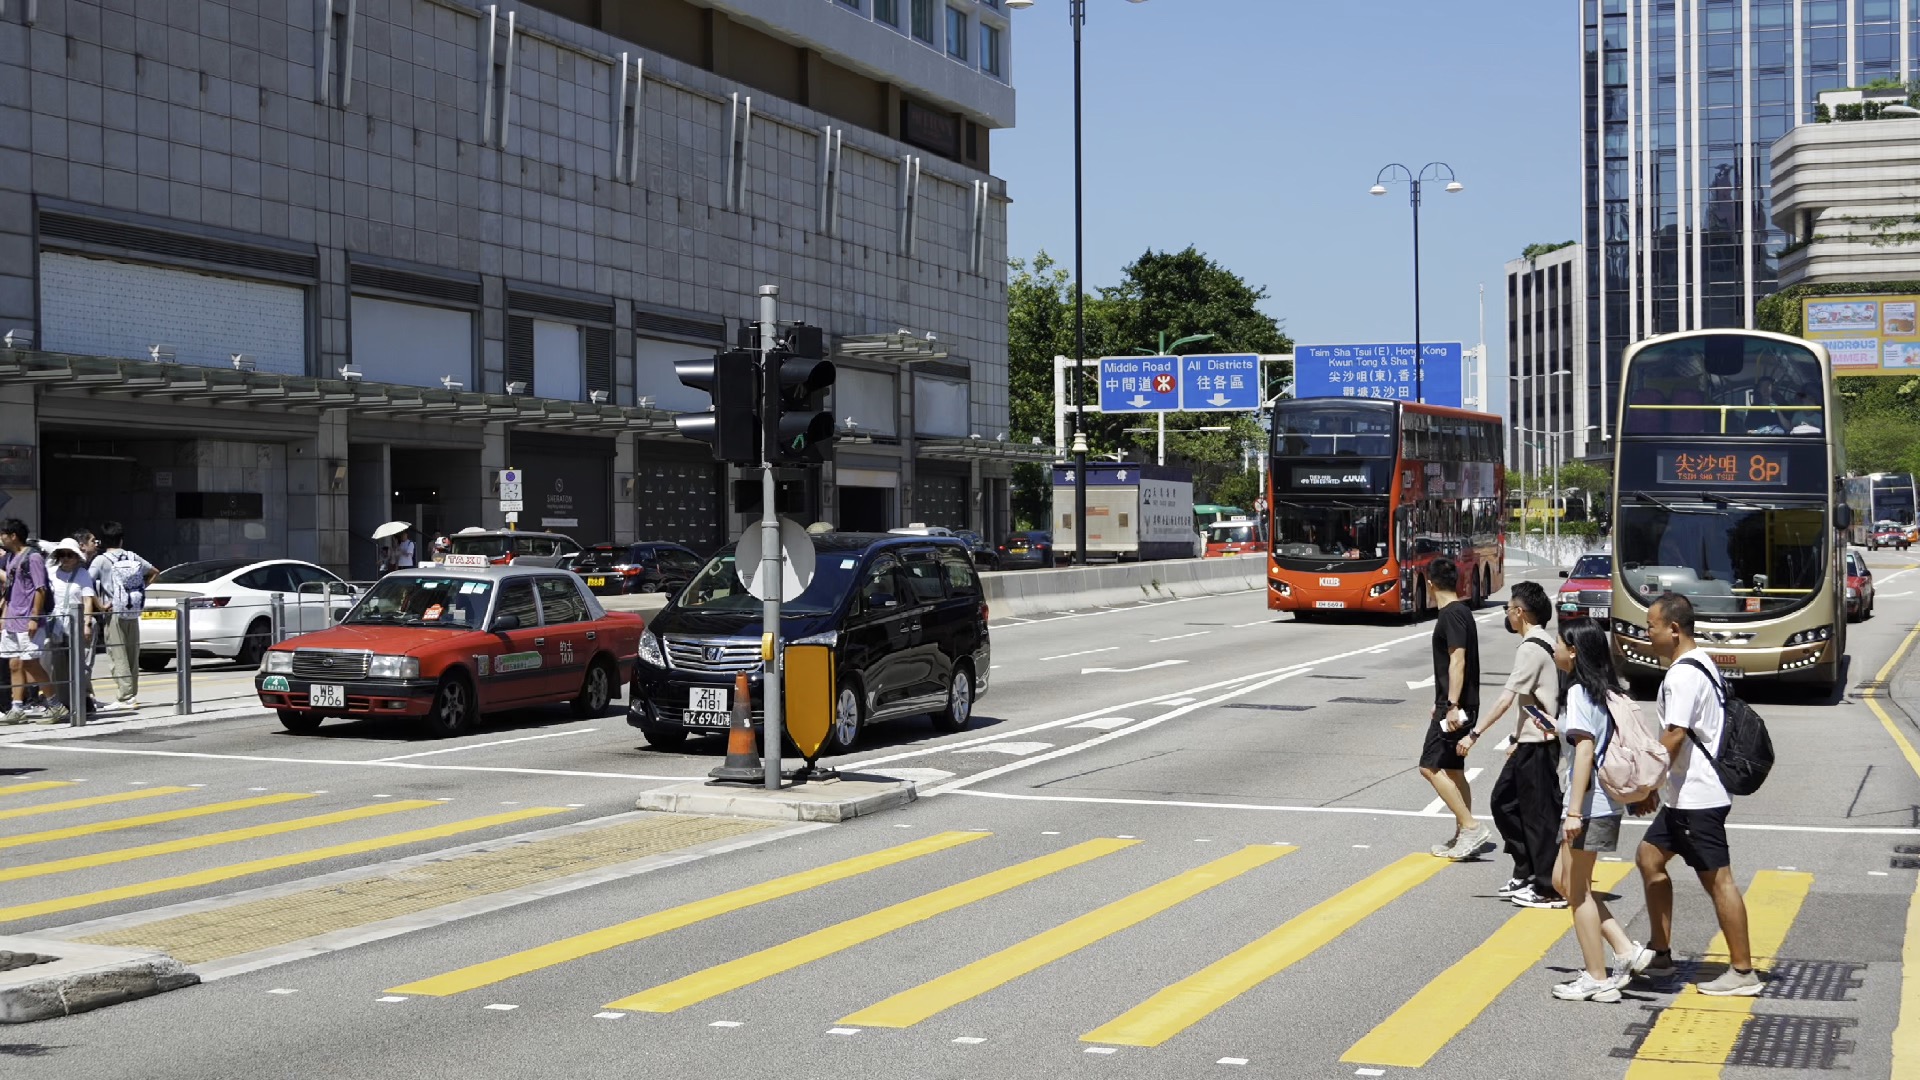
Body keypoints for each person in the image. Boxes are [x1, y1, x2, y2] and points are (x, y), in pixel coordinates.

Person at [1627, 592, 1761, 996]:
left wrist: (1646, 785)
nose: (1646, 632)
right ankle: (1662, 953)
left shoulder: (1683, 674)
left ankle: (1742, 972)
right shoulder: (1702, 662)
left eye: (1651, 625)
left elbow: (1674, 735)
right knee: (1649, 858)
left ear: (1673, 628)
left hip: (1698, 798)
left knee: (1719, 881)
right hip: (1683, 794)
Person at [1549, 619, 1647, 1002]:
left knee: (1578, 893)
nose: (1554, 648)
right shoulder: (1601, 691)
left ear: (1573, 651)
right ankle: (1625, 950)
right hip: (1599, 802)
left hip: (1588, 804)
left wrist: (1574, 812)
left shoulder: (1578, 694)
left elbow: (1586, 750)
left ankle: (1598, 978)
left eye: (1558, 643)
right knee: (1563, 881)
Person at [1458, 581, 1564, 908]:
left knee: (1537, 817)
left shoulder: (1532, 647)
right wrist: (1517, 738)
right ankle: (1526, 870)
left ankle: (1547, 886)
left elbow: (1507, 699)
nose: (1506, 613)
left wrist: (1474, 734)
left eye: (1508, 608)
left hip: (1541, 746)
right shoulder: (1541, 642)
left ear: (1519, 612)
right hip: (1530, 743)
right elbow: (1533, 701)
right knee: (1504, 803)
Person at [1419, 557, 1492, 860]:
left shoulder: (1450, 615)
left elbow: (1457, 660)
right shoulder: (1462, 612)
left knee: (1429, 766)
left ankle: (1471, 826)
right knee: (1453, 769)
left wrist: (1450, 705)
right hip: (1455, 703)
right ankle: (1465, 835)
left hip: (1456, 706)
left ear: (1431, 584)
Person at [89, 521, 156, 708]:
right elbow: (154, 572)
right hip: (132, 610)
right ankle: (131, 694)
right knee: (132, 653)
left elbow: (87, 583)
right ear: (121, 539)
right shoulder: (132, 556)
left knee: (117, 654)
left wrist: (100, 605)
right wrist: (137, 592)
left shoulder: (101, 560)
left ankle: (125, 697)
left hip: (114, 611)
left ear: (103, 541)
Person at [1, 519, 55, 724]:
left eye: (3, 534)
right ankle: (17, 708)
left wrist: (34, 617)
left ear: (13, 536)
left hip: (28, 620)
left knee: (30, 663)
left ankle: (54, 704)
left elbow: (40, 588)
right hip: (13, 620)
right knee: (14, 664)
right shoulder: (11, 558)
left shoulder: (33, 558)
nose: (1, 538)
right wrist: (5, 616)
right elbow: (11, 591)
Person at [43, 537, 98, 724]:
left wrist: (87, 623)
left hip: (76, 624)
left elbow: (88, 599)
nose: (66, 559)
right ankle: (64, 704)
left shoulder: (82, 574)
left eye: (70, 555)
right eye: (62, 555)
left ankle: (82, 702)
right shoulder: (50, 572)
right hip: (56, 625)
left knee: (79, 666)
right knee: (57, 667)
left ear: (77, 557)